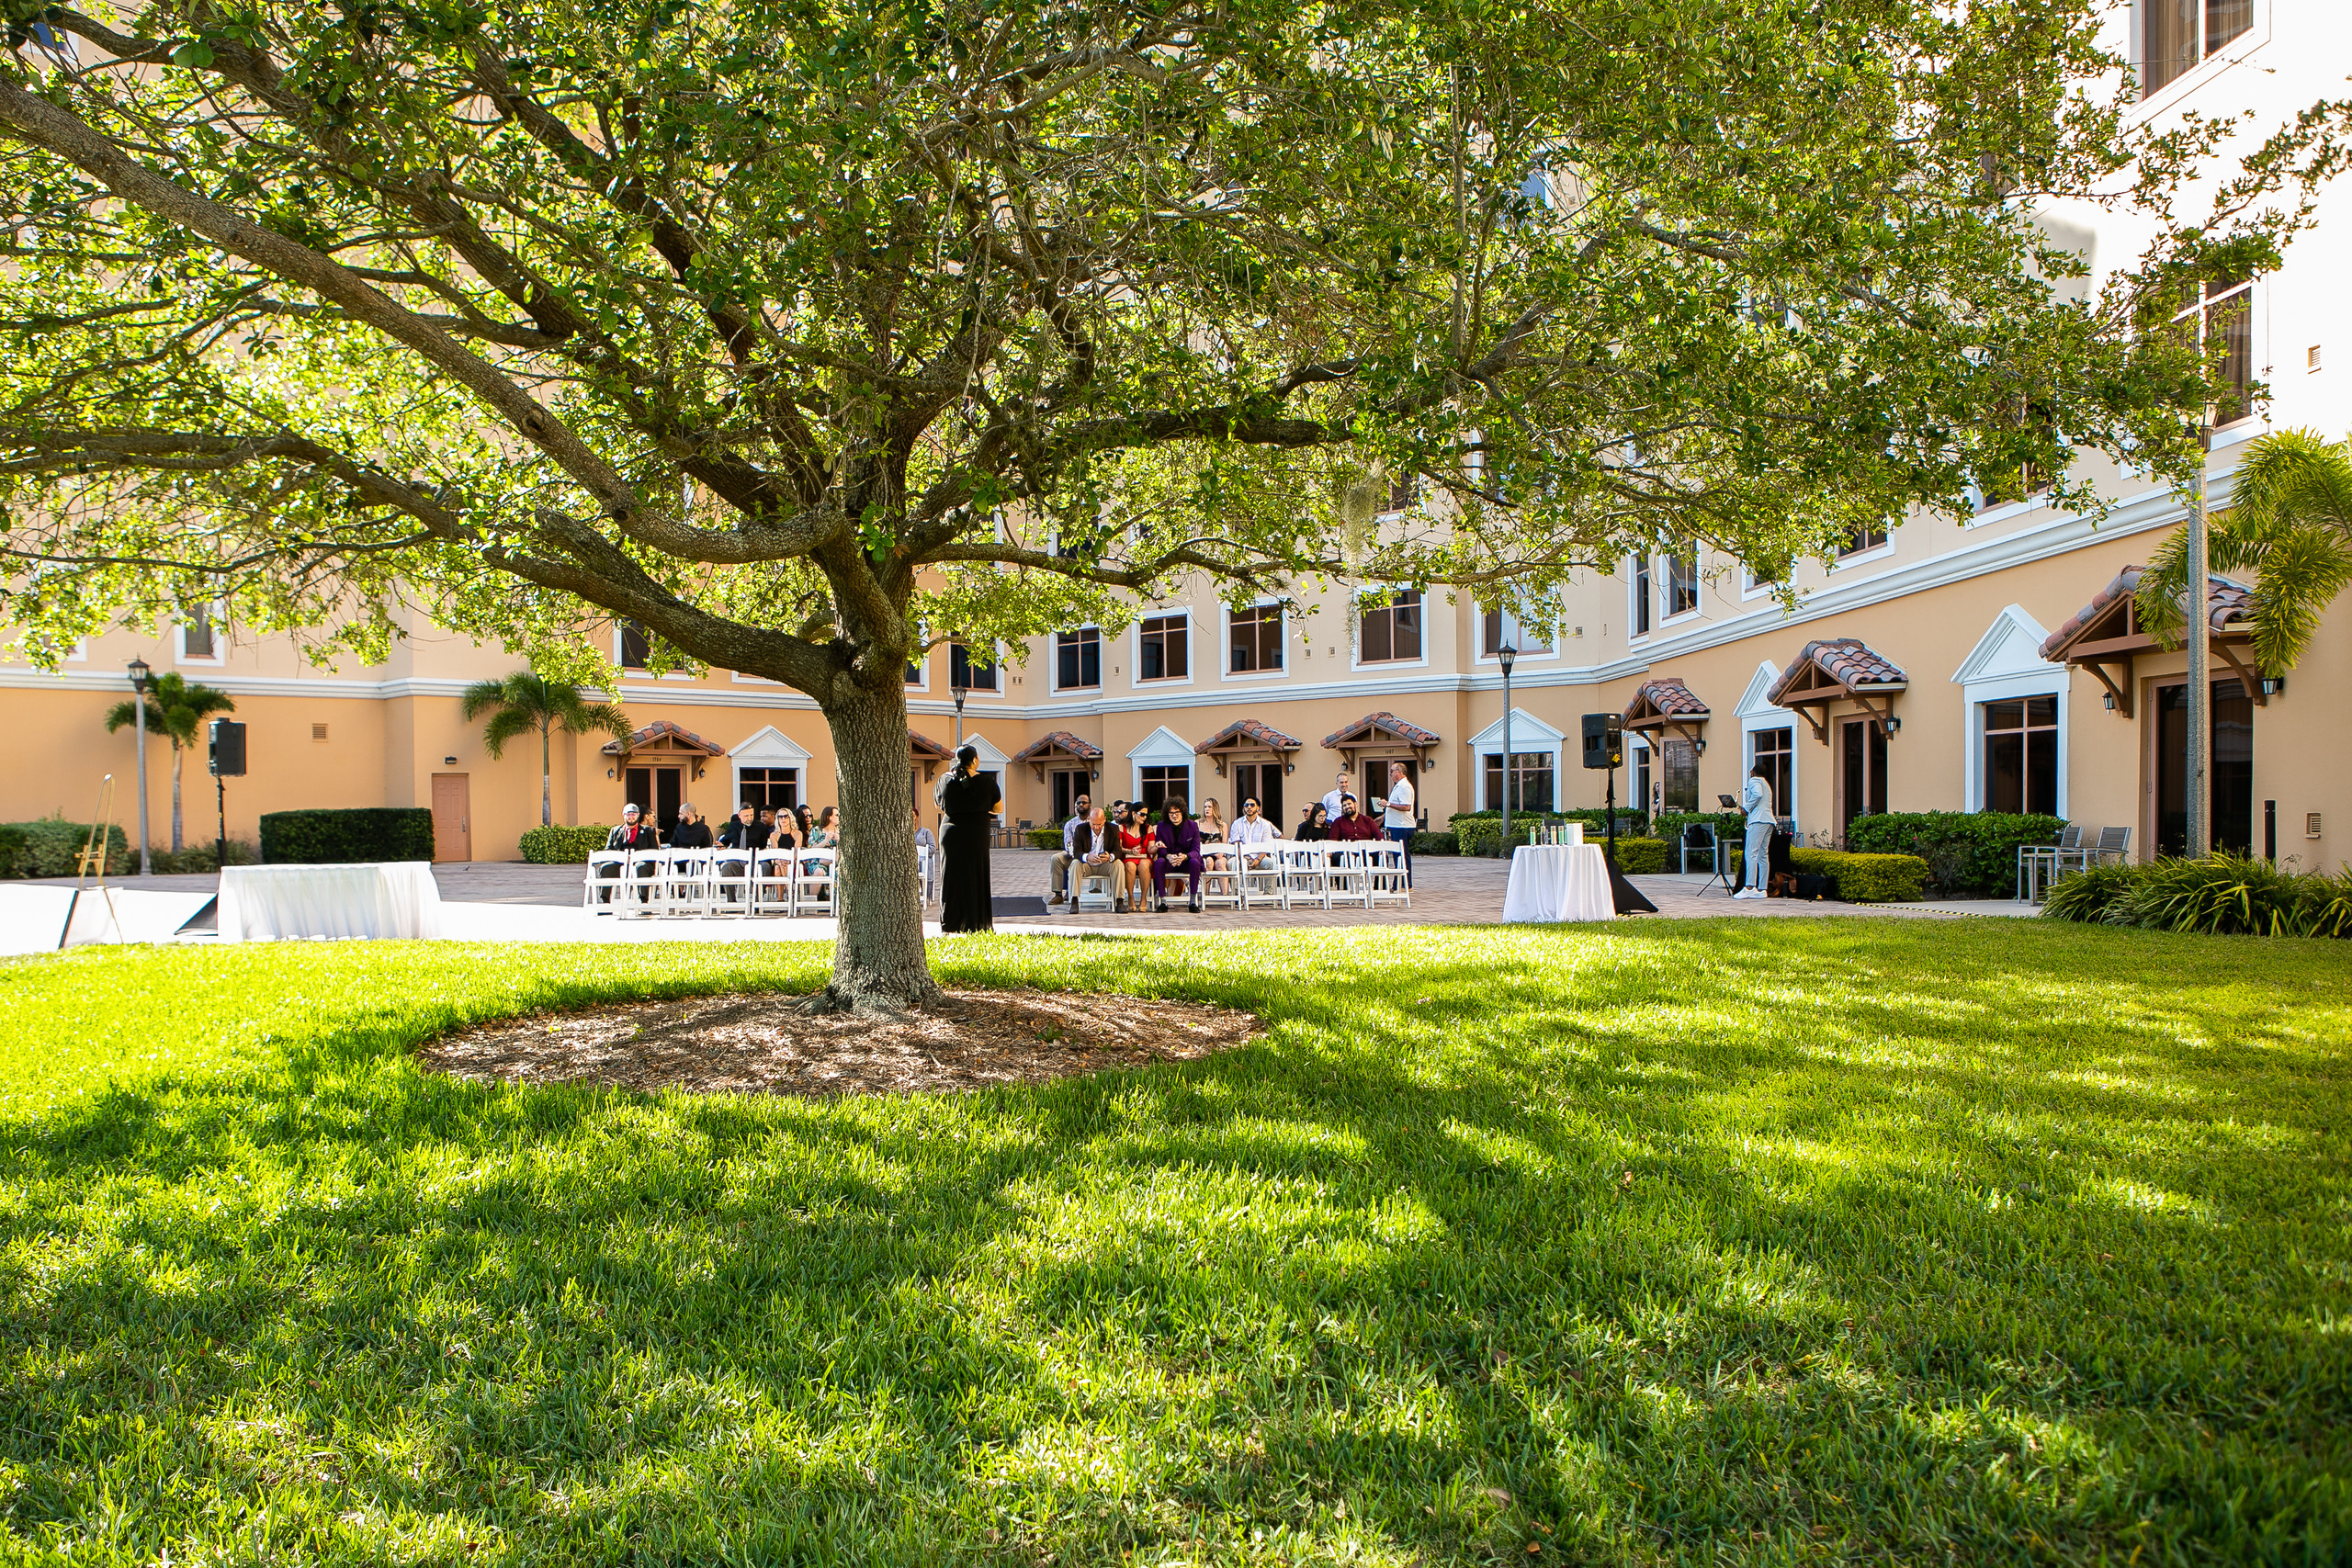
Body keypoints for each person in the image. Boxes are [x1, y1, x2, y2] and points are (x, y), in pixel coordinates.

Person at [935, 742, 1001, 931]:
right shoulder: (987, 782)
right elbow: (998, 808)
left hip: (950, 832)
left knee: (950, 876)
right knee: (976, 874)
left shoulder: (944, 780)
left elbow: (938, 805)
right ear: (974, 760)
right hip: (976, 832)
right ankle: (976, 923)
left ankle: (950, 923)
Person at [1149, 797, 1205, 912]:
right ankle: (1163, 902)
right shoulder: (1161, 826)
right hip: (1169, 860)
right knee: (1159, 862)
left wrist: (1185, 857)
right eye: (1171, 813)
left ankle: (1193, 901)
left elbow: (1196, 850)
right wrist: (1168, 856)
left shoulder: (1192, 826)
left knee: (1195, 862)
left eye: (1177, 813)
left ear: (1182, 812)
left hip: (1186, 860)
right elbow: (1160, 849)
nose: (1174, 816)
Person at [602, 803, 661, 903]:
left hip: (642, 863)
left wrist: (638, 857)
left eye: (633, 814)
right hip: (621, 864)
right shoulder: (615, 831)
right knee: (606, 867)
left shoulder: (648, 831)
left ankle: (643, 901)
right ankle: (605, 902)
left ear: (638, 815)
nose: (631, 817)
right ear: (623, 815)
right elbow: (608, 851)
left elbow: (654, 852)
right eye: (628, 815)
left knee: (640, 867)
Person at [1046, 791, 1093, 907]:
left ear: (1090, 805)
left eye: (1084, 803)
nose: (1081, 805)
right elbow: (1068, 843)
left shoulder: (1095, 822)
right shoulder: (1070, 824)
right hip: (1074, 854)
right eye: (1079, 803)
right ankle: (1058, 894)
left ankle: (1095, 889)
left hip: (1092, 855)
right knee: (1056, 858)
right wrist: (1074, 853)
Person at [1736, 762, 1776, 900]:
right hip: (1768, 820)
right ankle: (1762, 889)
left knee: (1751, 853)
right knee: (1763, 854)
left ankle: (1749, 887)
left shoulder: (1754, 781)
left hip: (1758, 820)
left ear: (1753, 772)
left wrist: (1746, 809)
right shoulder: (1766, 783)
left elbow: (1757, 795)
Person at [716, 802, 769, 905]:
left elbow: (764, 846)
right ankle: (731, 902)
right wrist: (721, 845)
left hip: (755, 861)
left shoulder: (761, 827)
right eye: (746, 816)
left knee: (766, 867)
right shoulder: (733, 826)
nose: (749, 818)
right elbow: (726, 841)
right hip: (738, 862)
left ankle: (757, 902)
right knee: (726, 867)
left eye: (751, 815)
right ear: (739, 815)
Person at [1070, 805, 1119, 905]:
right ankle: (1074, 900)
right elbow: (1076, 852)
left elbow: (1117, 849)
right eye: (1093, 824)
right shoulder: (1080, 829)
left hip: (1104, 864)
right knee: (1075, 864)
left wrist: (1110, 857)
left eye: (1099, 824)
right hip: (1086, 865)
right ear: (1089, 819)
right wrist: (1087, 857)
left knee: (1118, 864)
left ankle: (1119, 900)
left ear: (1104, 820)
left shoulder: (1113, 829)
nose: (1096, 827)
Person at [1382, 761, 1417, 886]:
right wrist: (1382, 817)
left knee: (1401, 855)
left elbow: (1406, 806)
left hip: (1402, 826)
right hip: (1395, 825)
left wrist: (1388, 804)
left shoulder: (1405, 787)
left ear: (1399, 772)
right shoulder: (1398, 786)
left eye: (1392, 771)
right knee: (1397, 855)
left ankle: (1405, 884)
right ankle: (1398, 883)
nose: (1390, 774)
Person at [1115, 801, 1154, 912]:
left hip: (1144, 857)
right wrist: (1130, 851)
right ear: (1133, 813)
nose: (1144, 817)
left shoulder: (1148, 828)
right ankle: (1131, 898)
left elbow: (1150, 849)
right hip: (1128, 856)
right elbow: (1119, 847)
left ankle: (1143, 898)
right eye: (1142, 814)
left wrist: (1156, 847)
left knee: (1144, 865)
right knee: (1130, 866)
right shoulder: (1122, 828)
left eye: (1146, 815)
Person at [1228, 795, 1278, 876]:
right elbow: (1236, 844)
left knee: (1271, 863)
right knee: (1231, 863)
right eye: (1246, 805)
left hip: (1260, 858)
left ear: (1258, 808)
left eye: (1252, 805)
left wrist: (1258, 859)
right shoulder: (1236, 823)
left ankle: (1268, 890)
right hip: (1242, 857)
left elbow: (1266, 845)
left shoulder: (1265, 824)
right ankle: (1236, 889)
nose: (1249, 807)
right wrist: (1244, 858)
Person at [1196, 797, 1231, 871]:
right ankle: (1206, 882)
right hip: (1203, 854)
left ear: (1215, 809)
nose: (1207, 809)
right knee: (1209, 861)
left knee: (1221, 863)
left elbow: (1224, 844)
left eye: (1209, 807)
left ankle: (1224, 883)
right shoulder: (1198, 824)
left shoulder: (1222, 825)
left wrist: (1221, 853)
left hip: (1218, 854)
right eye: (1205, 807)